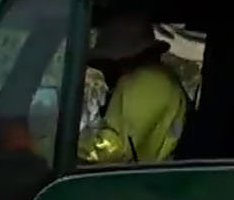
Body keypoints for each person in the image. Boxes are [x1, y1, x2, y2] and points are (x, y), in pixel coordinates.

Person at [79, 13, 189, 164]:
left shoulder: (147, 82)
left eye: (106, 63)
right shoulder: (154, 80)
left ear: (124, 58)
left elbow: (112, 150)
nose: (106, 72)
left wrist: (70, 148)